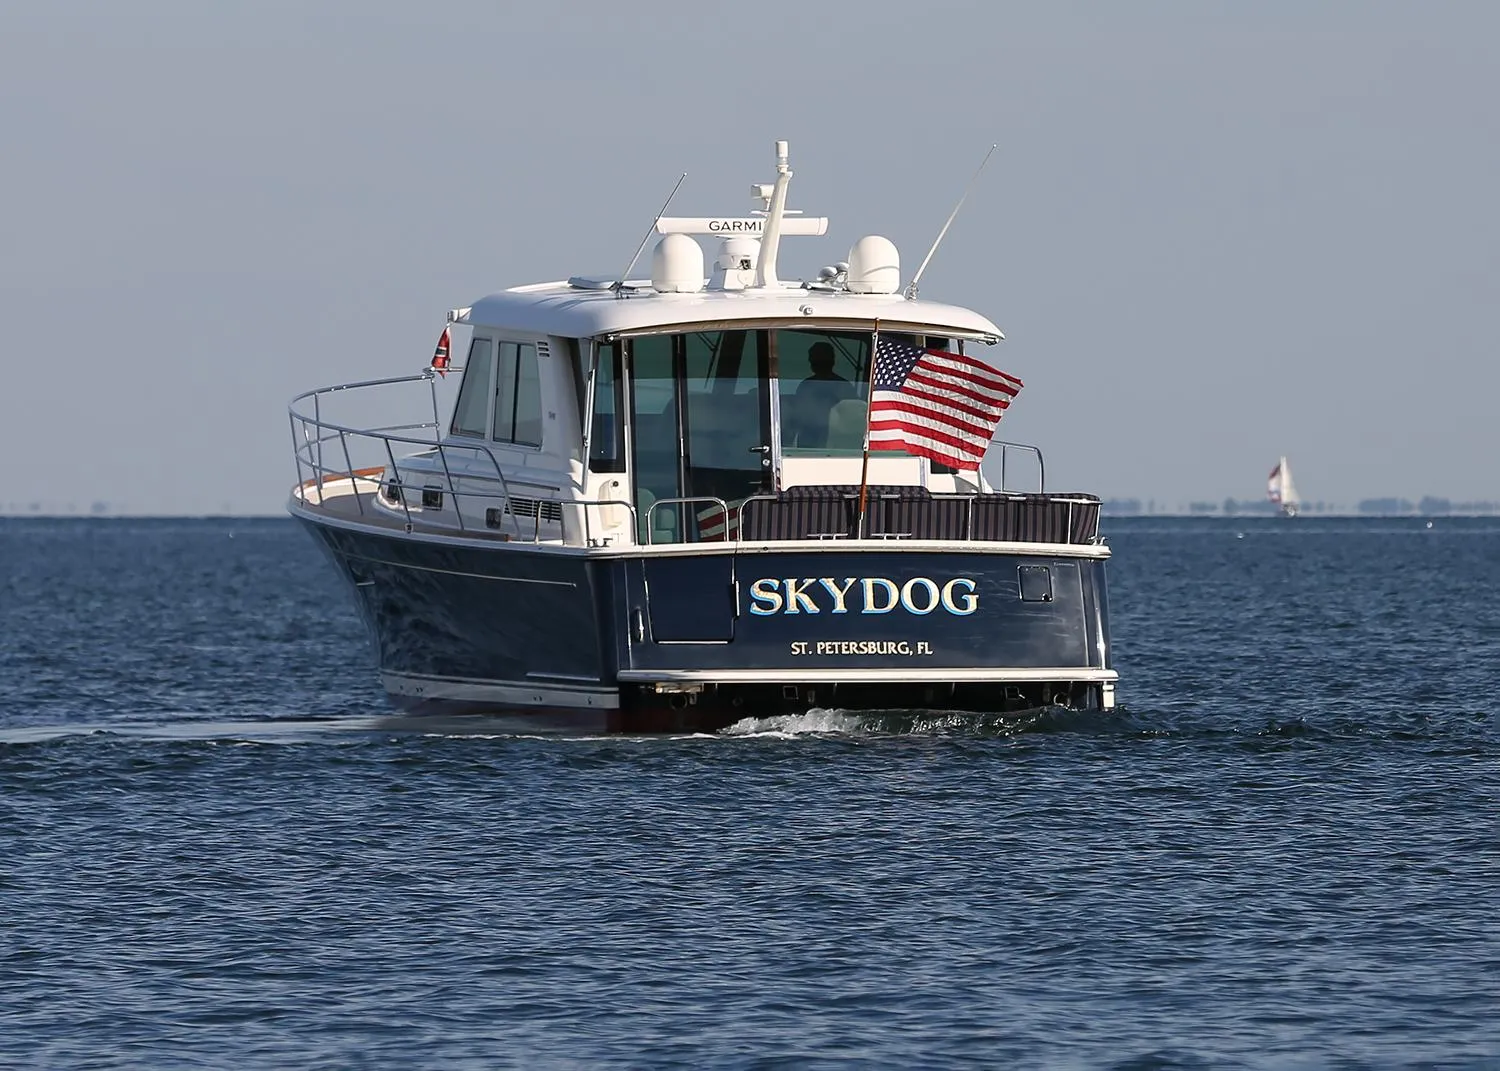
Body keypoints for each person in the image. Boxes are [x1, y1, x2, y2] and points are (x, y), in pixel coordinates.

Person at [789, 342, 855, 447]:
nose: (813, 362)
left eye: (818, 359)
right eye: (813, 359)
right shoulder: (805, 386)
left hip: (838, 444)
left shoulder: (844, 387)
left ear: (831, 361)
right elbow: (798, 416)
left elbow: (853, 420)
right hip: (808, 442)